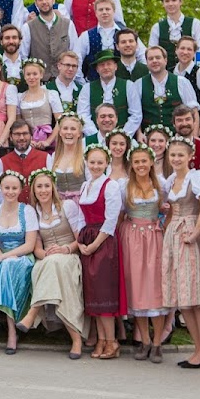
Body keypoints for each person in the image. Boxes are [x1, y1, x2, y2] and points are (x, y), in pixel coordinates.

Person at [16, 170, 85, 359]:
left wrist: (65, 249)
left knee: (55, 265)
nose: (43, 190)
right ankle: (76, 339)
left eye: (47, 186)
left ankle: (32, 313)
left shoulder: (67, 206)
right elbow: (37, 248)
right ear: (33, 190)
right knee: (49, 265)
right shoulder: (33, 212)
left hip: (69, 256)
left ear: (53, 187)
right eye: (39, 186)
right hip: (47, 259)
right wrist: (47, 254)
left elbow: (80, 239)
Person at [160, 135, 200, 369]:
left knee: (195, 295)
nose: (176, 159)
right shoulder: (171, 180)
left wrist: (194, 234)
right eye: (173, 155)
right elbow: (171, 210)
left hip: (189, 232)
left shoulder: (197, 177)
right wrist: (165, 227)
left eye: (180, 155)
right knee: (183, 297)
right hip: (173, 235)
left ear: (190, 156)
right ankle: (198, 349)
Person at [0, 172, 38, 354]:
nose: (10, 192)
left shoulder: (27, 211)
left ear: (20, 190)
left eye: (14, 188)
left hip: (23, 258)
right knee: (6, 268)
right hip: (2, 258)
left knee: (6, 266)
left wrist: (4, 257)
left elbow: (29, 245)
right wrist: (1, 257)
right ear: (1, 188)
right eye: (7, 188)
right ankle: (12, 332)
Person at [74, 144, 125, 359]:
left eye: (100, 162)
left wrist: (95, 245)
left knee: (104, 293)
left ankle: (112, 341)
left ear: (107, 163)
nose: (95, 166)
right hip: (87, 238)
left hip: (104, 242)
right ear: (86, 162)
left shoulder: (111, 186)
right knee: (93, 293)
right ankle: (102, 340)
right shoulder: (85, 185)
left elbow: (111, 220)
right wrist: (80, 242)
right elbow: (80, 217)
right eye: (92, 162)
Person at [119, 144, 167, 362]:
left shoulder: (161, 184)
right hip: (132, 237)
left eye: (144, 161)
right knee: (137, 288)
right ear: (131, 164)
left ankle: (157, 343)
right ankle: (145, 340)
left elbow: (172, 207)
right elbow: (120, 214)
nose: (140, 165)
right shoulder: (125, 186)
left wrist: (165, 224)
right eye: (136, 161)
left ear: (151, 162)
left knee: (155, 288)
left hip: (155, 237)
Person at [76, 0, 138, 82]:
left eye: (107, 9)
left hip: (121, 85)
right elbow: (76, 61)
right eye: (101, 10)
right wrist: (83, 83)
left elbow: (142, 55)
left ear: (114, 11)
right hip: (94, 84)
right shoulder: (86, 36)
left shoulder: (126, 33)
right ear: (96, 13)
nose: (104, 12)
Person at [25, 0, 80, 81]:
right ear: (36, 3)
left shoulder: (68, 24)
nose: (44, 2)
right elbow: (23, 56)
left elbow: (75, 53)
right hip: (39, 82)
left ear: (53, 0)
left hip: (64, 81)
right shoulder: (28, 27)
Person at [139, 46, 199, 134]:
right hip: (149, 138)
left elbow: (193, 111)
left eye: (158, 57)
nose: (154, 61)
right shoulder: (139, 84)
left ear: (165, 60)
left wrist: (193, 137)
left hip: (177, 137)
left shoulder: (181, 82)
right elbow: (135, 114)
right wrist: (139, 134)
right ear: (147, 62)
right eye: (151, 59)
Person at [148, 0, 200, 69]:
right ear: (163, 4)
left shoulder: (195, 24)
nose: (170, 4)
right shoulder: (157, 28)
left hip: (191, 73)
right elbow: (152, 53)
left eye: (174, 0)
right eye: (167, 1)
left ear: (181, 2)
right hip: (166, 74)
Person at [17, 59, 62, 150]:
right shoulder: (20, 97)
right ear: (24, 76)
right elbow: (18, 122)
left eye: (35, 74)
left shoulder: (51, 94)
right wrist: (28, 140)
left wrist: (48, 141)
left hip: (47, 137)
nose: (31, 77)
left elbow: (60, 120)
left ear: (41, 75)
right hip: (27, 140)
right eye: (28, 74)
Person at [1, 119, 48, 203]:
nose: (21, 138)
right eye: (17, 134)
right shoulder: (2, 161)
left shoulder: (46, 157)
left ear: (31, 136)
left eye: (25, 134)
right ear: (10, 137)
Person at [49, 113, 85, 203]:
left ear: (79, 133)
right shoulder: (54, 156)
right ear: (60, 132)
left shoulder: (85, 156)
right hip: (59, 204)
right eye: (65, 128)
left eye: (73, 129)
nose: (69, 132)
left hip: (81, 205)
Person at [172, 105, 200, 173]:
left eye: (188, 119)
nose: (184, 123)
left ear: (194, 122)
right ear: (174, 124)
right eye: (179, 120)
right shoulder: (167, 148)